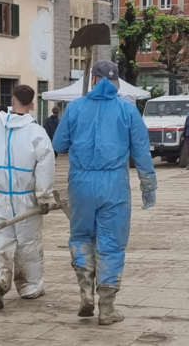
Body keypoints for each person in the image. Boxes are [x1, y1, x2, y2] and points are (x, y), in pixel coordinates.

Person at [53, 60, 157, 325]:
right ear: (115, 81)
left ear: (93, 80)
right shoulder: (127, 109)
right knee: (111, 244)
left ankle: (85, 291)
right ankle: (107, 309)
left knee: (81, 237)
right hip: (114, 183)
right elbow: (142, 151)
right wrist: (148, 185)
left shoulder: (74, 107)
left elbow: (59, 144)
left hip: (81, 181)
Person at [0, 85, 55, 310]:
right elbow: (45, 167)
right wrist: (44, 196)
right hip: (24, 199)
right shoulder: (37, 133)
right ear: (32, 104)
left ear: (11, 100)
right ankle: (30, 286)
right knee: (28, 245)